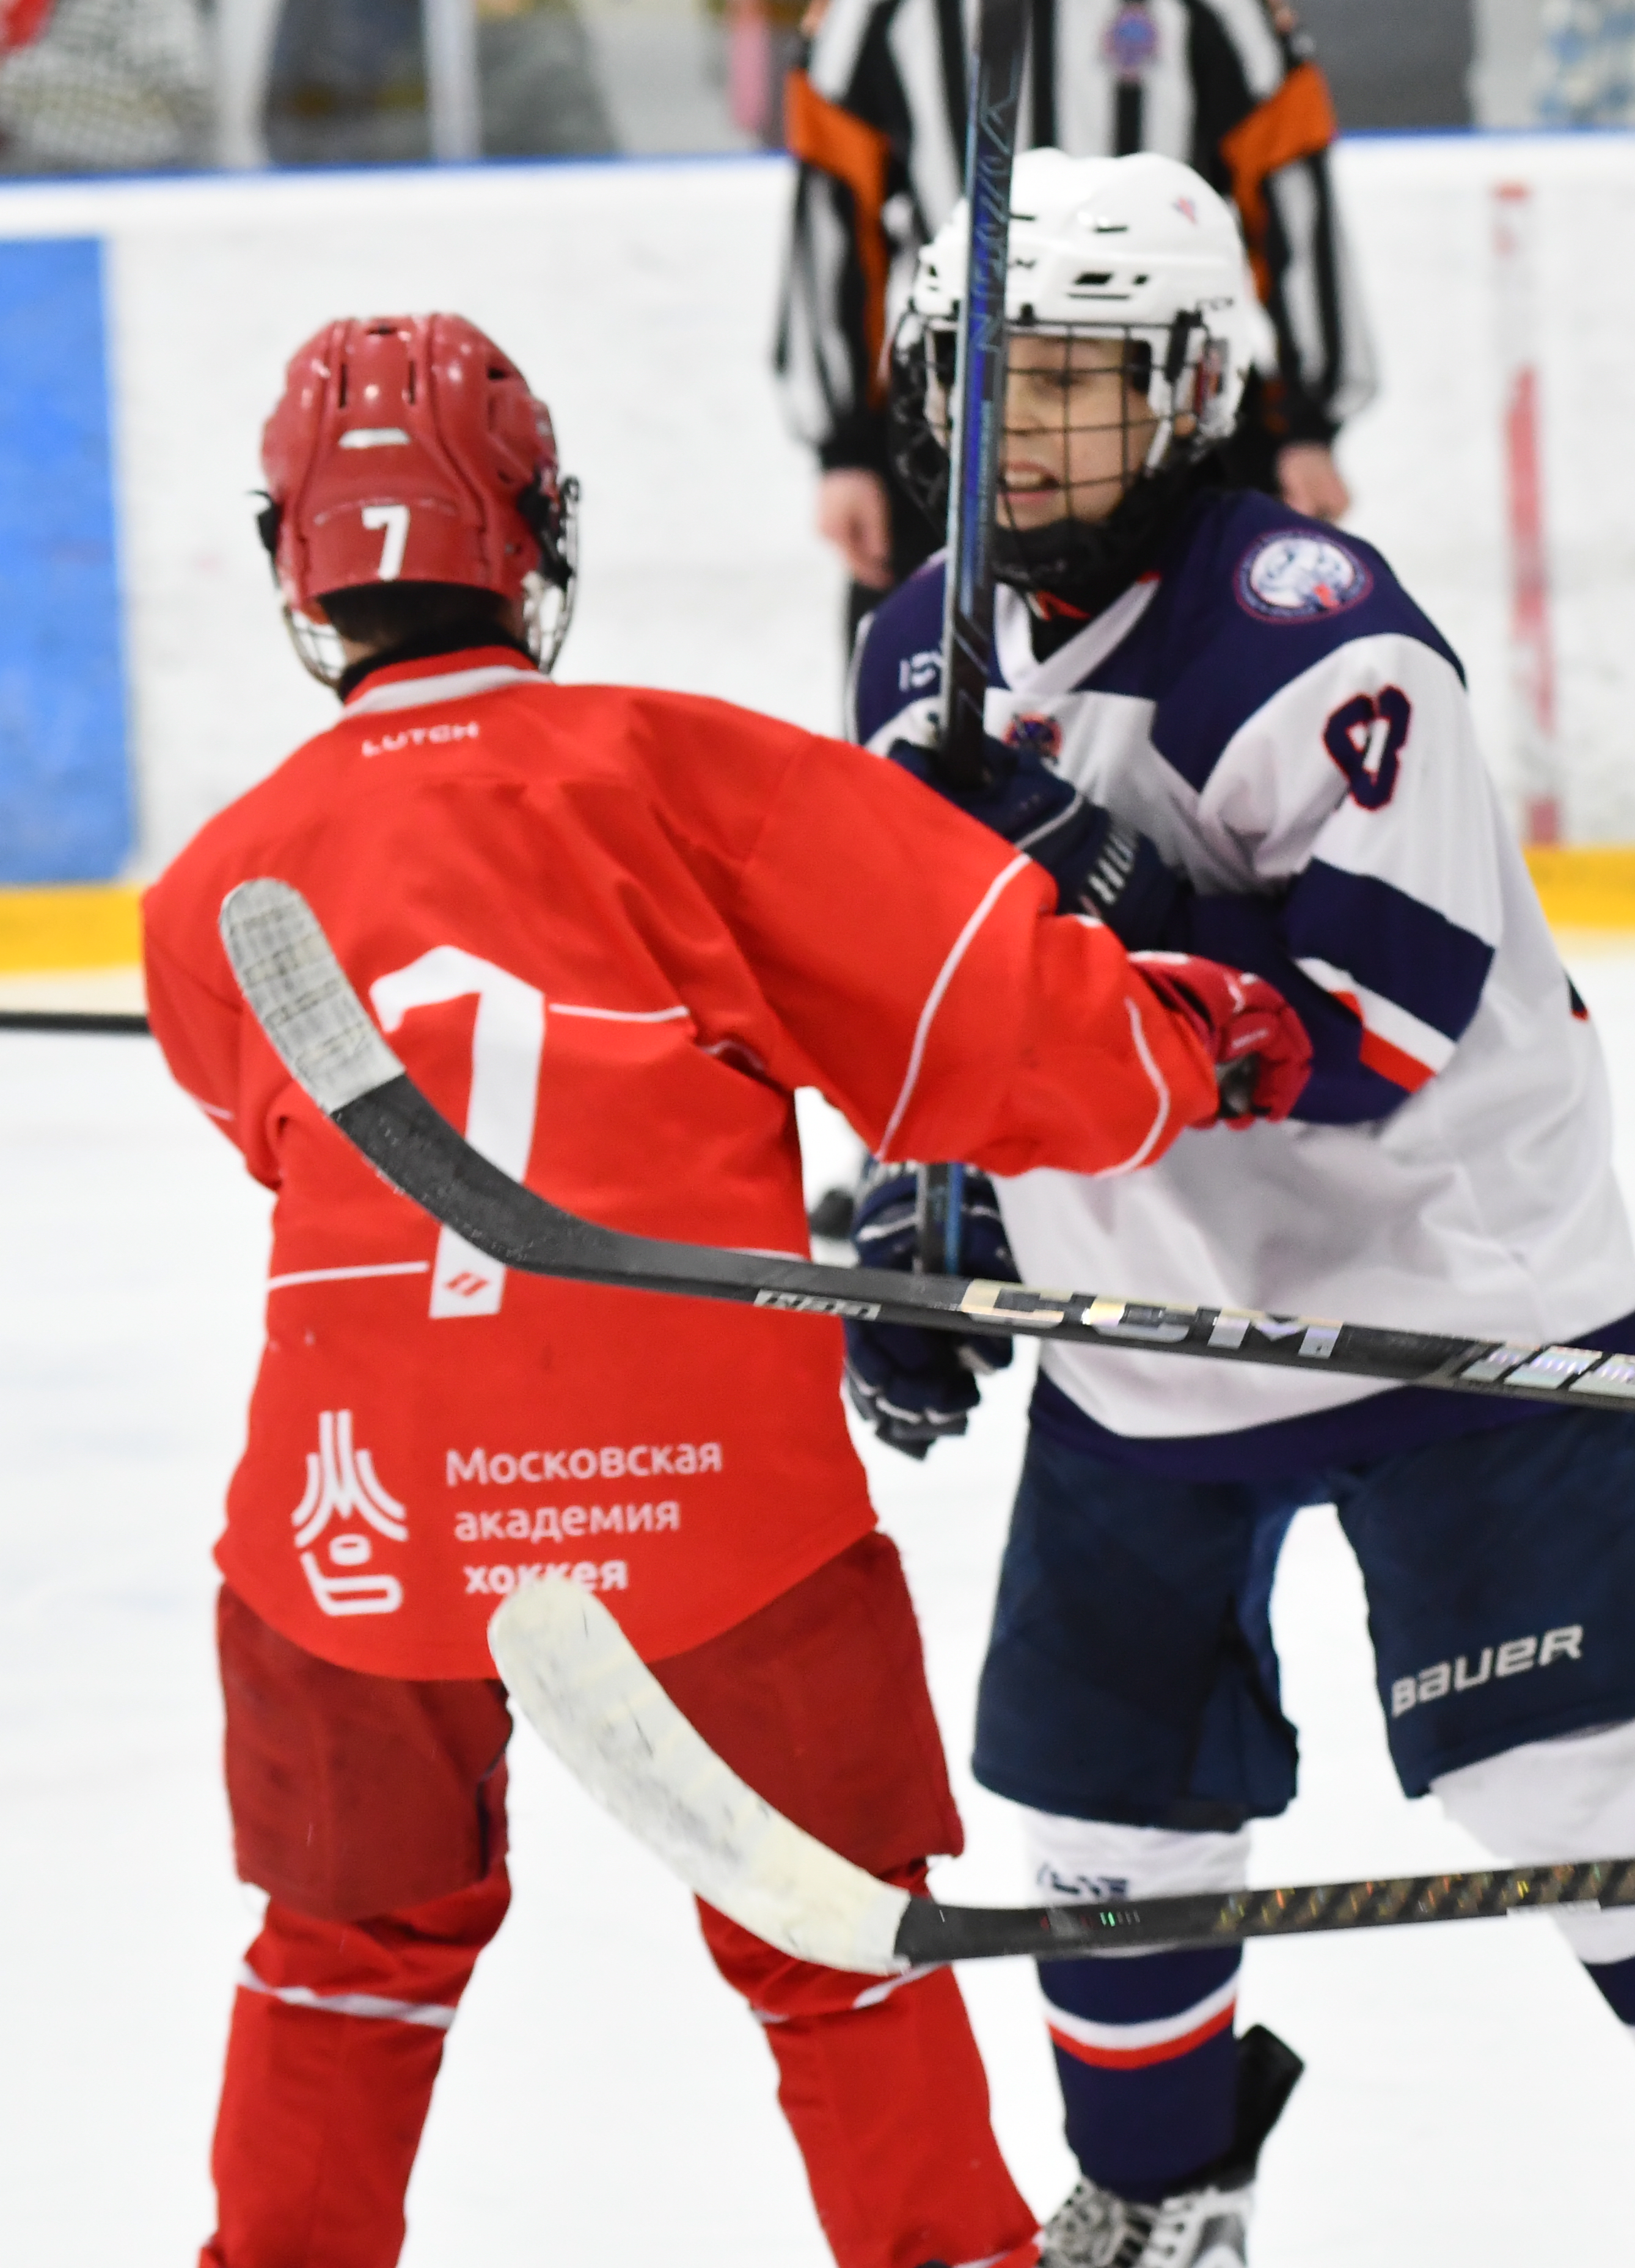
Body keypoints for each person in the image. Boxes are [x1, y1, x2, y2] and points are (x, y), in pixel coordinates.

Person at [143, 310, 1309, 2268]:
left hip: (351, 1535)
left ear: (295, 560)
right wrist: (1205, 1027)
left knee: (347, 1957)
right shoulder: (681, 773)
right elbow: (1009, 1046)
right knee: (835, 1951)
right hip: (704, 1503)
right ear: (535, 536)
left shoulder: (207, 890)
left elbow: (276, 1124)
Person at [838, 148, 1635, 2268]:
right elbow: (929, 1007)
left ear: (1190, 391)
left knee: (1572, 1797)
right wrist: (942, 1208)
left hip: (1445, 1295)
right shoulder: (913, 649)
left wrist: (1096, 886)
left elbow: (1371, 1019)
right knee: (1093, 1816)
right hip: (1150, 1322)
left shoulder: (1318, 638)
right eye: (995, 376)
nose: (1034, 423)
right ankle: (1168, 2199)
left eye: (1082, 379)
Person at [778, 0, 1374, 639]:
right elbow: (833, 209)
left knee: (1216, 682)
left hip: (1166, 409)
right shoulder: (872, 14)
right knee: (915, 691)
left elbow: (1286, 182)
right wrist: (846, 451)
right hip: (960, 407)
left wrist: (1307, 425)